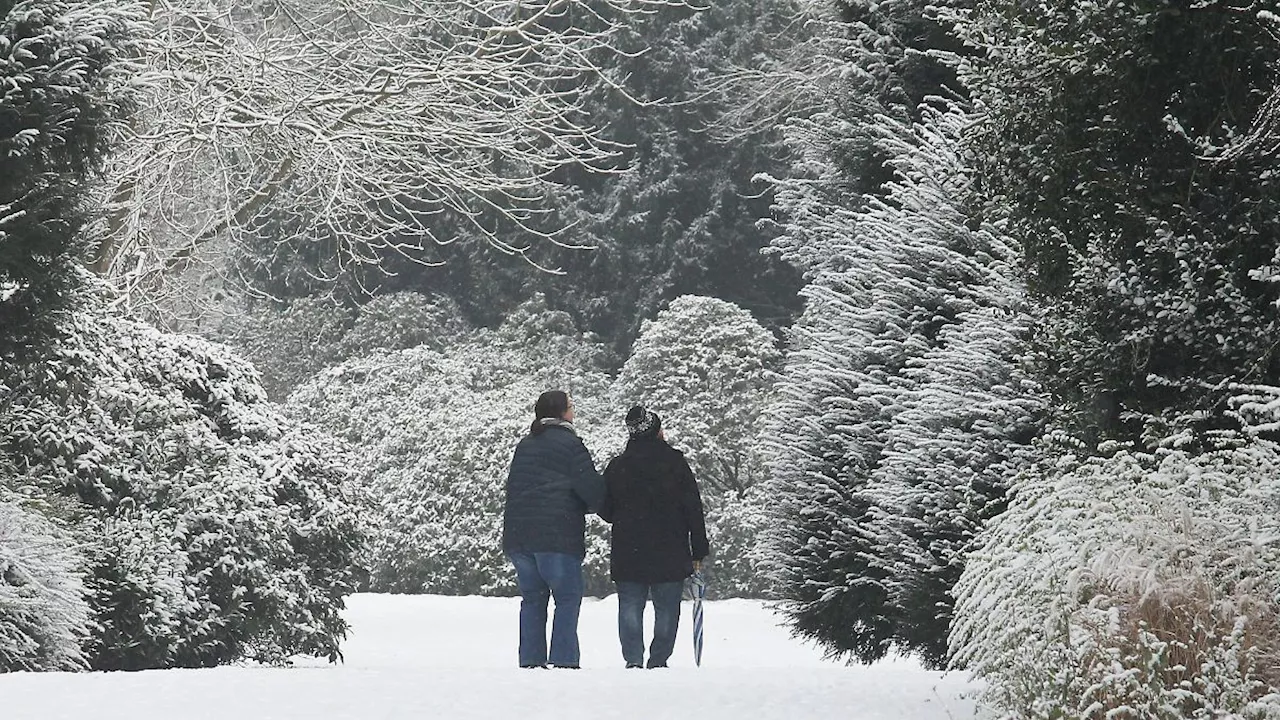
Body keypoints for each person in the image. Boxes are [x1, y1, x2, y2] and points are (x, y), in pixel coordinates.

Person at [598, 405, 710, 669]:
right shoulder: (675, 463)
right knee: (667, 608)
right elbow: (693, 507)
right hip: (669, 548)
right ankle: (658, 660)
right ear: (658, 432)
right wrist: (698, 548)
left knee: (630, 607)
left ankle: (633, 660)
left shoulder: (618, 466)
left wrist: (623, 517)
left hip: (629, 548)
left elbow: (604, 506)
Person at [502, 390, 606, 669]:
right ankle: (563, 660)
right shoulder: (571, 445)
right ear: (561, 413)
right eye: (571, 407)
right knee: (567, 598)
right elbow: (590, 490)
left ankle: (531, 660)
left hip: (519, 536)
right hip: (557, 536)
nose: (574, 411)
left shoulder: (525, 445)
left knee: (533, 600)